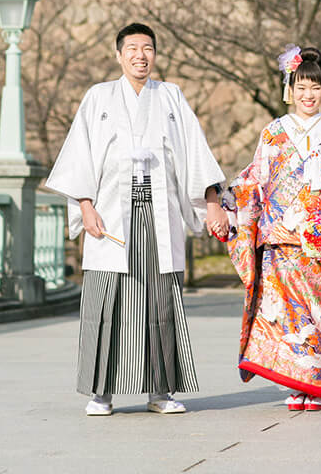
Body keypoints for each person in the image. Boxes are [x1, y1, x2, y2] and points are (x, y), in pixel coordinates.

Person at [45, 22, 228, 416]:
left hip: (158, 212)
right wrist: (85, 205)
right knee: (107, 298)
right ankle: (101, 392)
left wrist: (211, 200)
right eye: (132, 48)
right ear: (118, 54)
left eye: (148, 48)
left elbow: (195, 152)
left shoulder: (171, 96)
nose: (140, 55)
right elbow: (79, 155)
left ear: (155, 55)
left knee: (160, 300)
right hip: (110, 212)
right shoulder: (99, 97)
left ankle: (160, 392)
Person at [223, 45, 321, 411]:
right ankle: (297, 381)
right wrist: (227, 202)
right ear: (290, 88)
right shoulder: (273, 133)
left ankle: (316, 383)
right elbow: (255, 178)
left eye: (315, 88)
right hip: (281, 242)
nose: (308, 95)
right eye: (301, 87)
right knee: (288, 313)